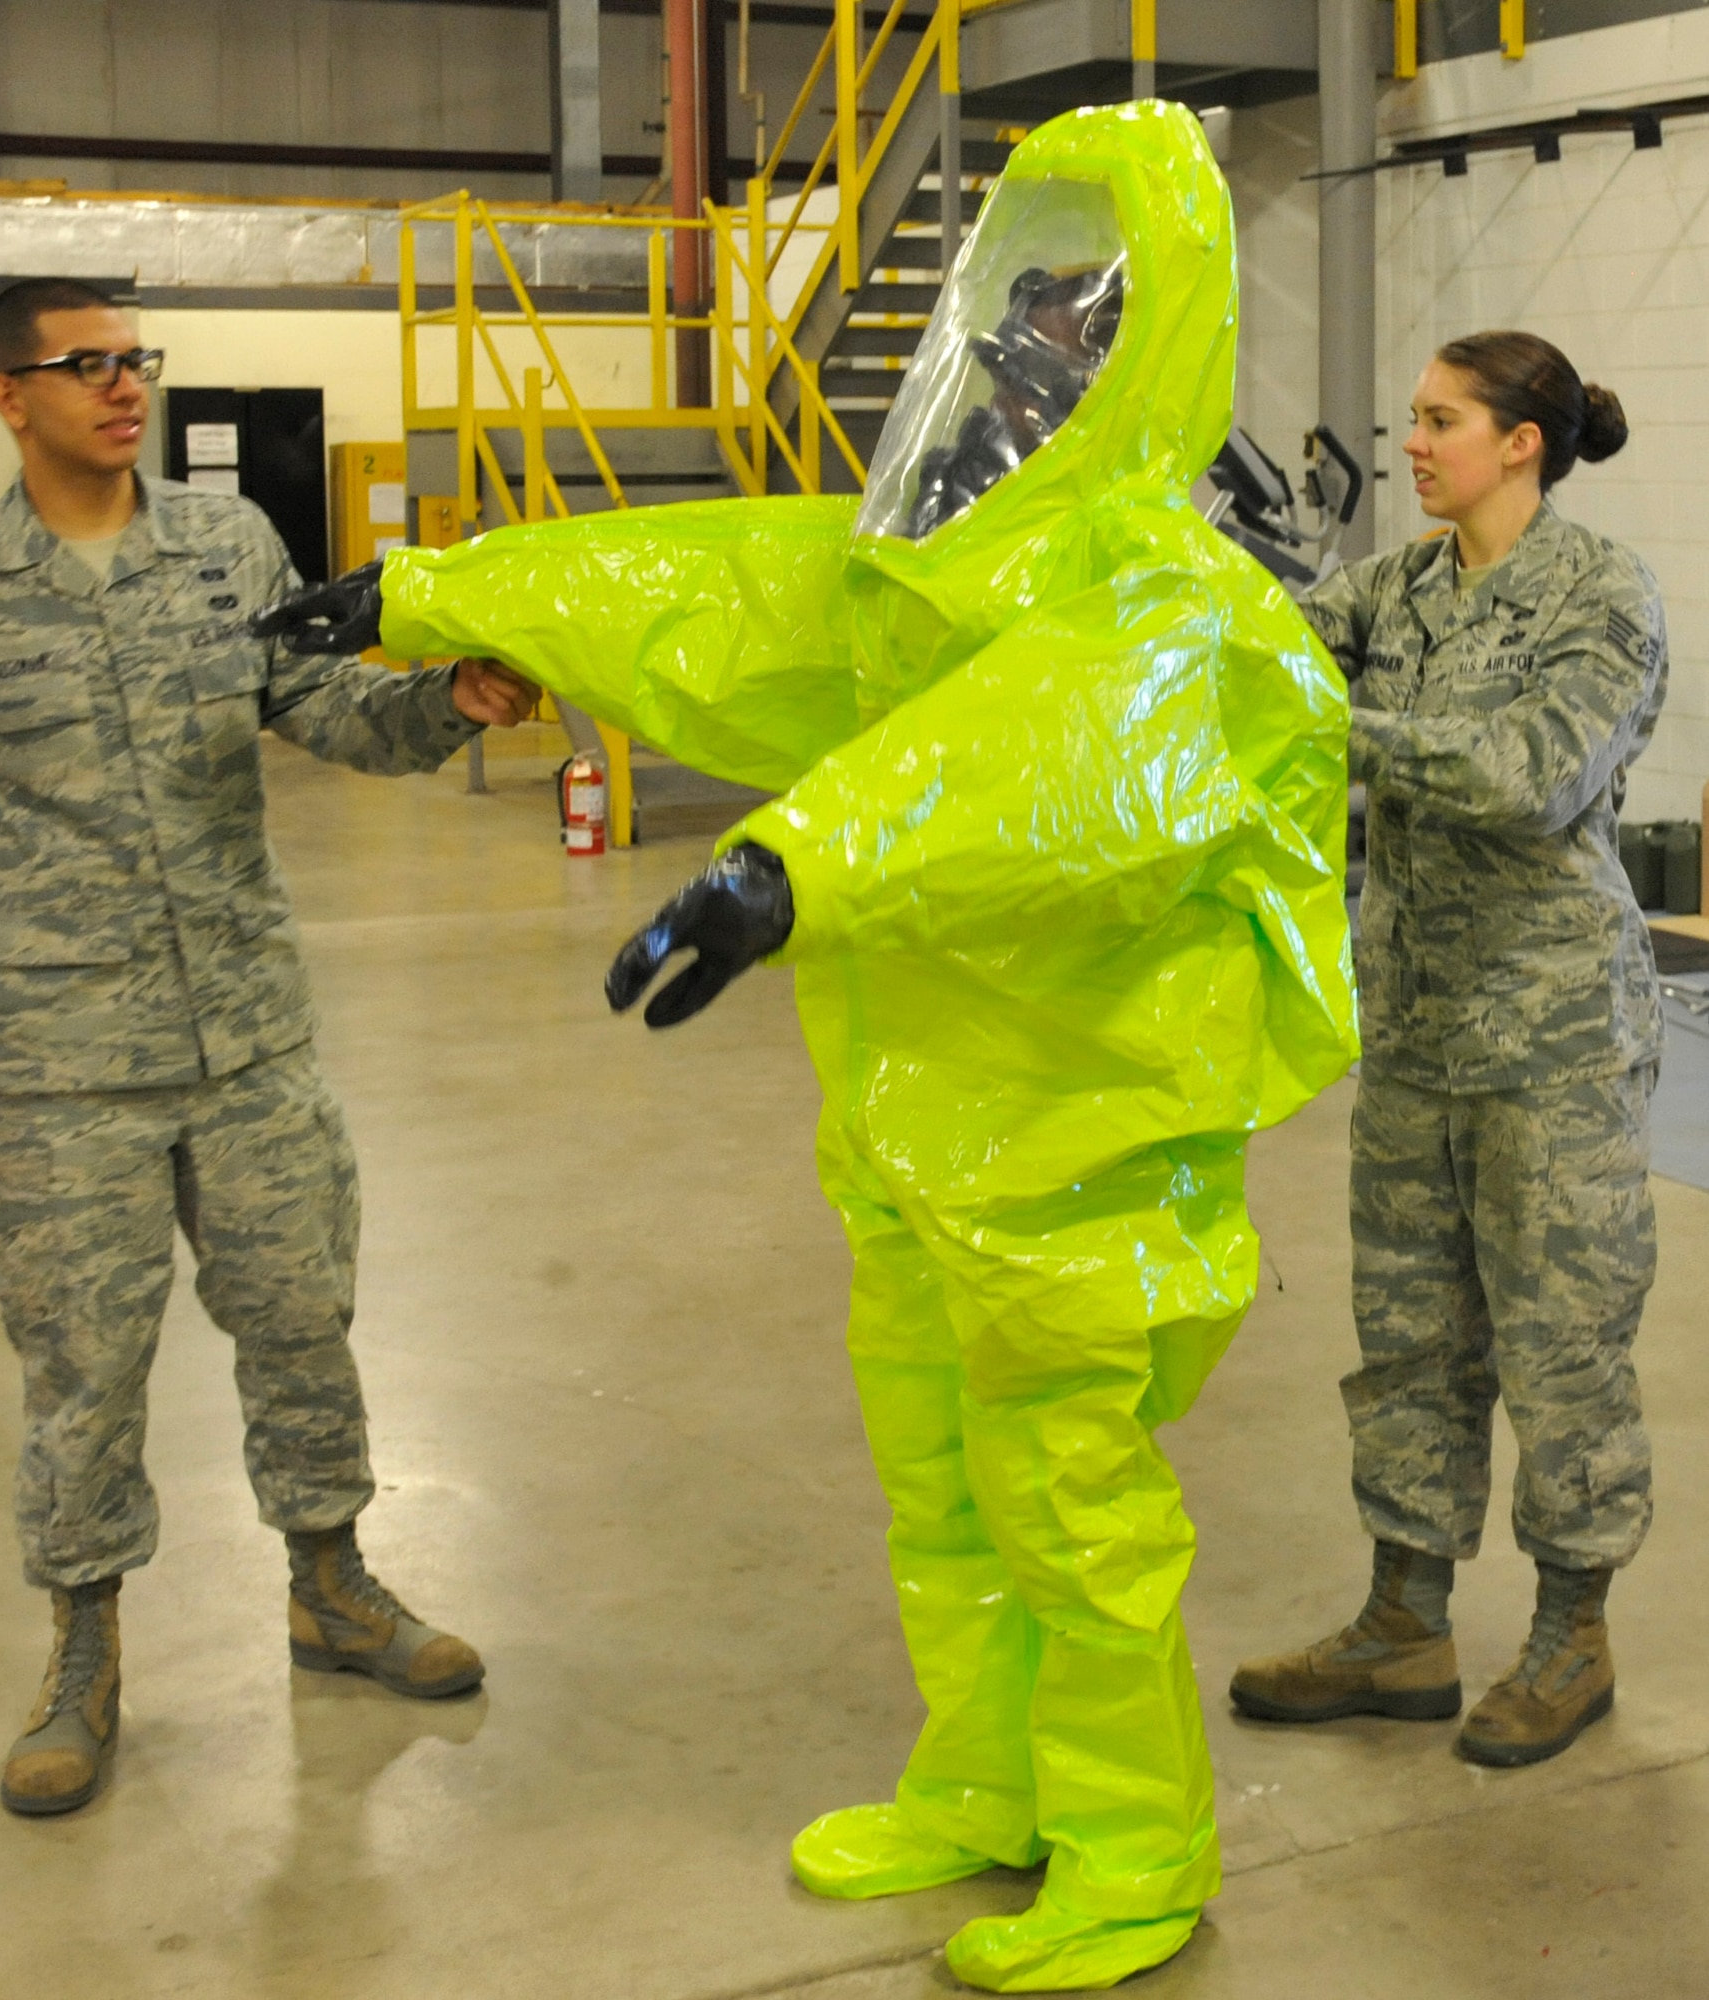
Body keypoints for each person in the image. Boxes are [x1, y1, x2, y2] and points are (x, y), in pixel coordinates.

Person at [259, 104, 1358, 1991]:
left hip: (1087, 1149)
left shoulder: (1182, 610)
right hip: (920, 1132)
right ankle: (981, 1782)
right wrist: (440, 589)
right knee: (939, 1495)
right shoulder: (931, 564)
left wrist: (790, 863)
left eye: (1087, 316)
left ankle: (1128, 1852)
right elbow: (731, 593)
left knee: (1072, 1516)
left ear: (1155, 336)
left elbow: (1040, 763)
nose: (1033, 351)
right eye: (1021, 309)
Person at [0, 276, 539, 1819]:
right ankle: (83, 1655)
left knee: (301, 1319)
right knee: (83, 1372)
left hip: (248, 1037)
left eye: (132, 360)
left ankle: (331, 1586)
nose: (119, 385)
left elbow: (326, 707)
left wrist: (448, 703)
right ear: (4, 395)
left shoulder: (229, 551)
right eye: (79, 365)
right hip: (60, 1061)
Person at [1230, 331, 1666, 1769]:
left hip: (1551, 1045)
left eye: (1437, 422)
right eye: (1410, 422)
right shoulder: (1398, 590)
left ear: (1518, 442)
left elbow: (1531, 778)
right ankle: (1401, 1624)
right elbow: (1257, 646)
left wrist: (1328, 727)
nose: (1410, 446)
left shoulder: (1595, 595)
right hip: (1412, 1032)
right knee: (1408, 1339)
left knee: (1560, 1350)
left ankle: (1570, 1637)